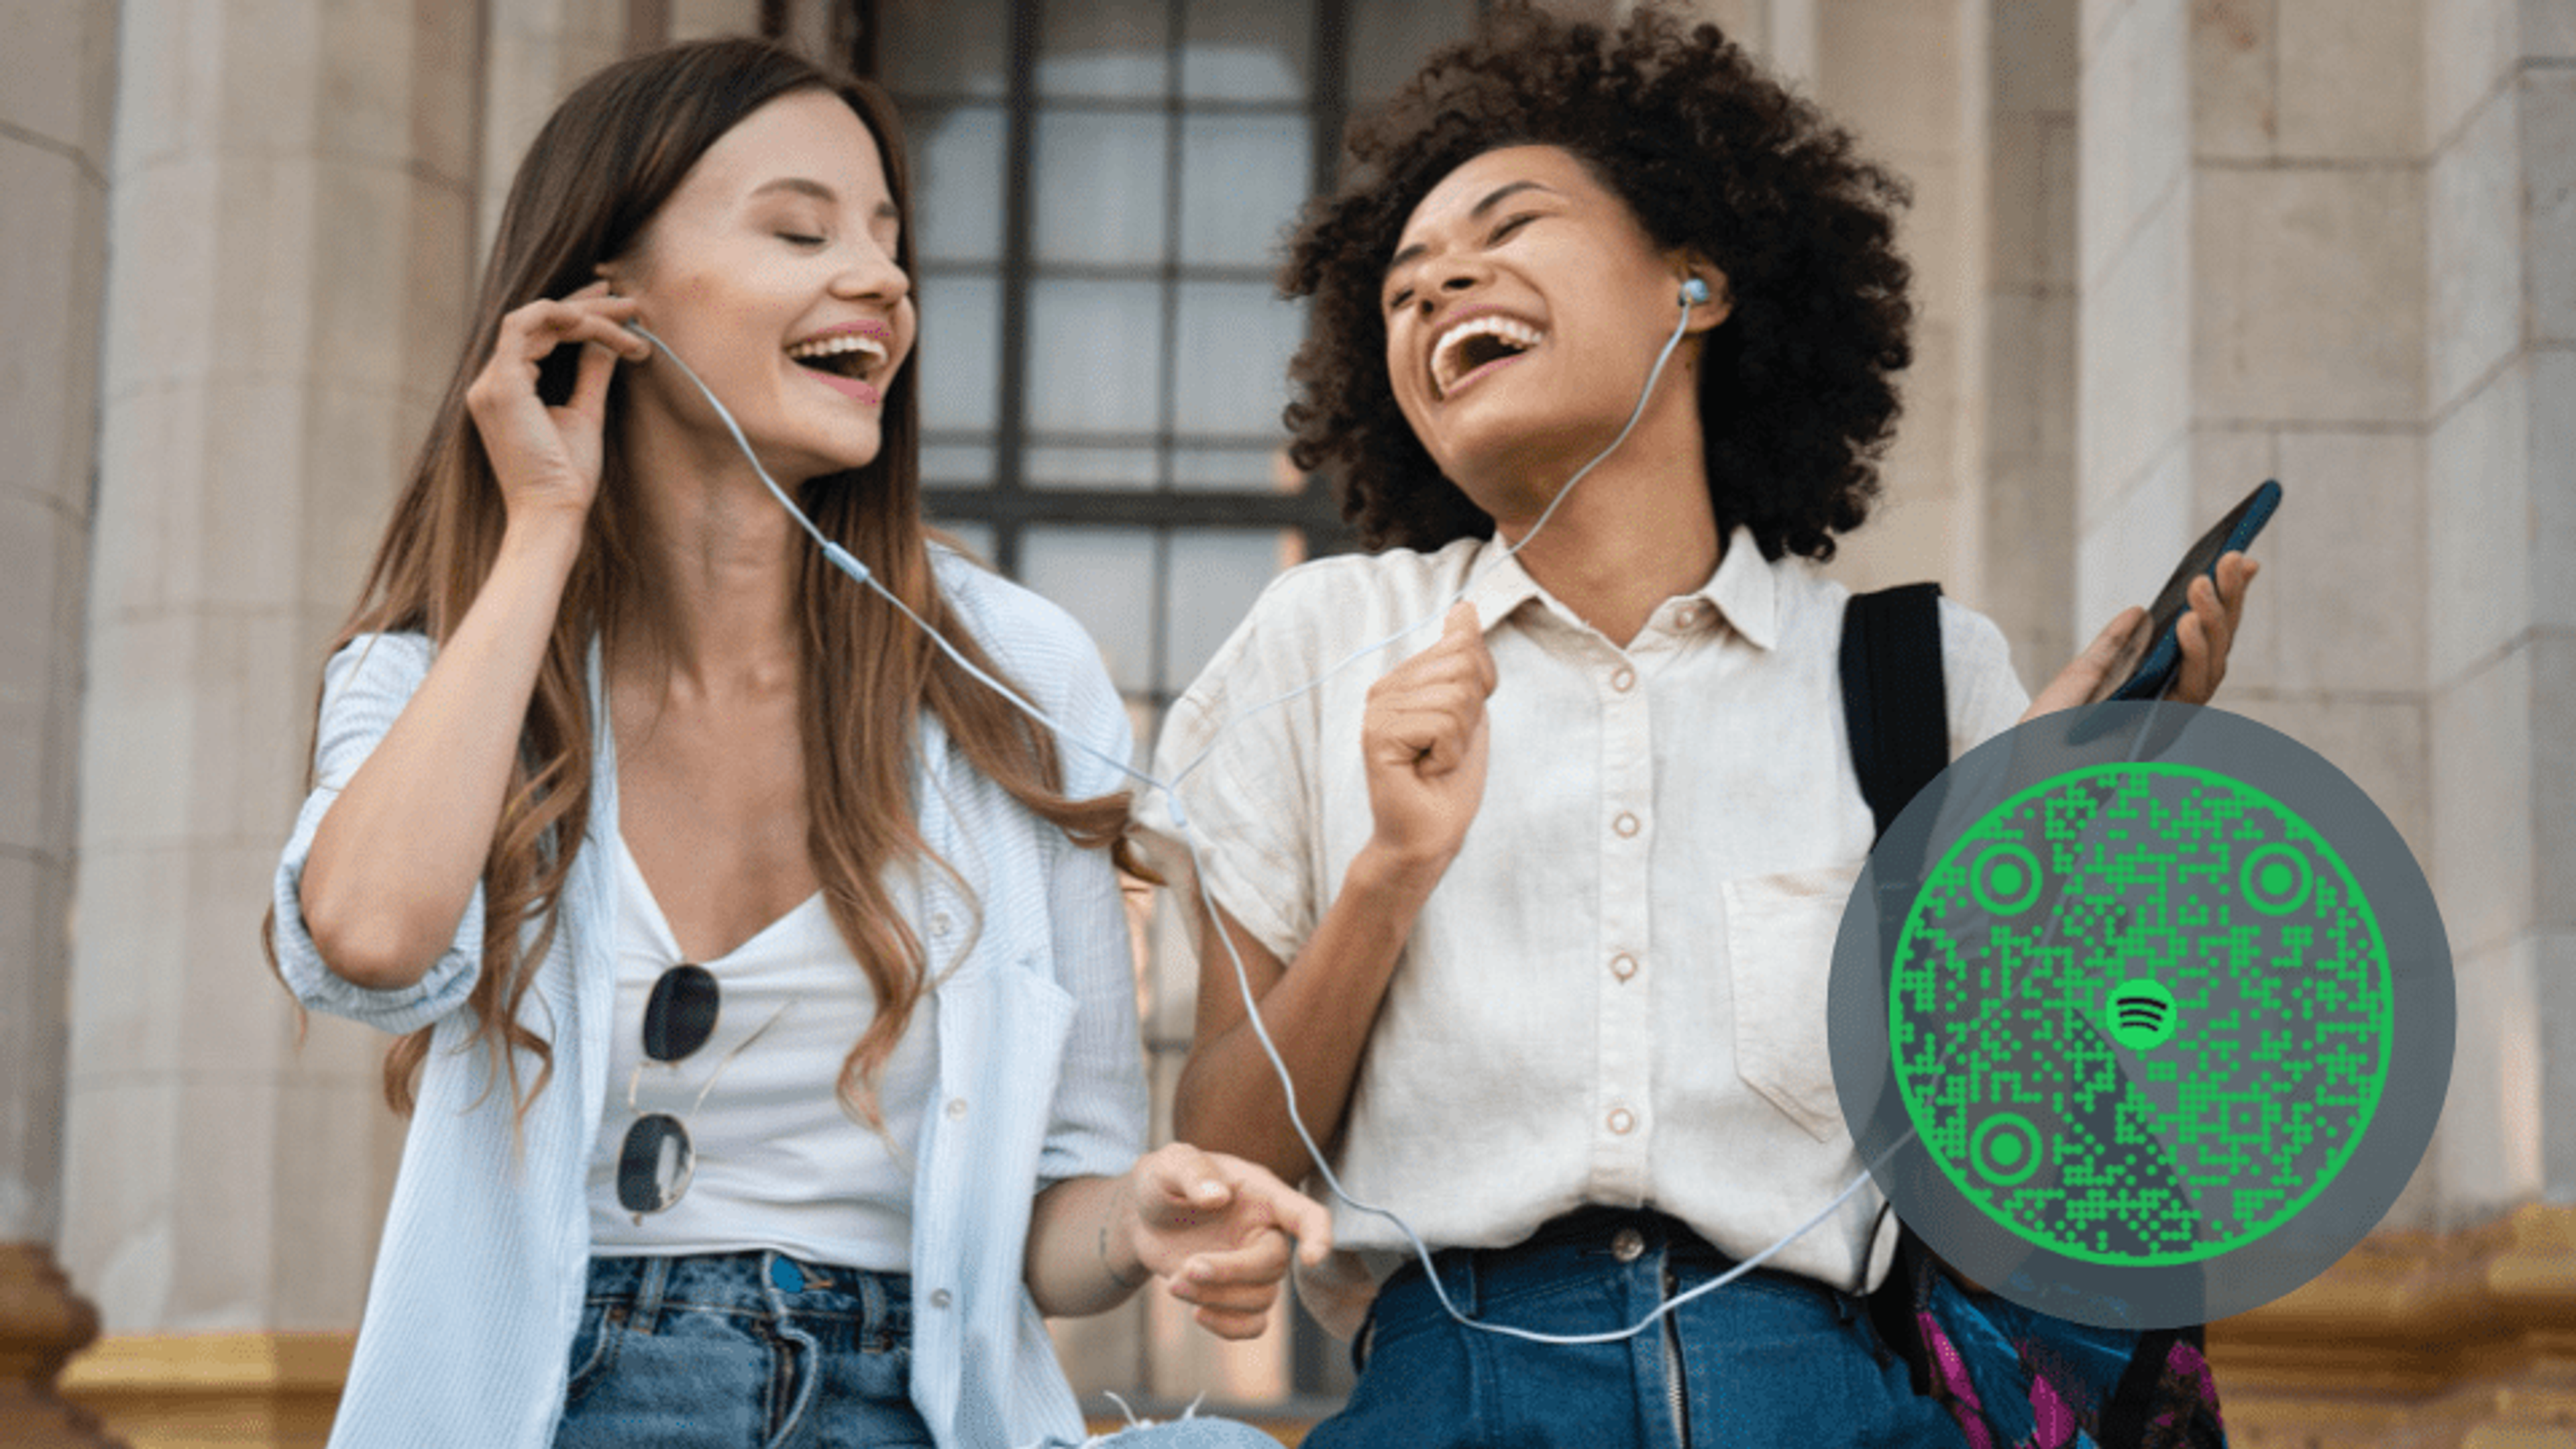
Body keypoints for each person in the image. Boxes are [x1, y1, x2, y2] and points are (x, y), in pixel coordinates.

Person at [1135, 6, 2256, 1447]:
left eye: (1509, 224)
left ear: (1698, 280)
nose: (1436, 288)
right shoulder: (1322, 647)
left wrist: (2038, 834)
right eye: (1402, 288)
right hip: (1451, 1390)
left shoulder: (1918, 675)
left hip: (1826, 1392)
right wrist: (1389, 878)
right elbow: (1224, 1157)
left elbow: (2032, 1159)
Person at [267, 38, 1324, 1449]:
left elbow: (1052, 1227)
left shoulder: (1013, 669)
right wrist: (540, 531)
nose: (881, 281)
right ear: (602, 302)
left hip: (912, 1405)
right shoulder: (438, 673)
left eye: (890, 240)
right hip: (558, 1401)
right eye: (799, 229)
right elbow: (369, 942)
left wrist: (1137, 1220)